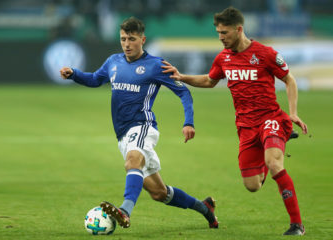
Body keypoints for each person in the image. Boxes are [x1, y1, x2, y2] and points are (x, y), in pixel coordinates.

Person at [60, 17, 218, 229]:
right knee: (159, 193)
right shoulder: (113, 62)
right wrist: (74, 75)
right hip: (122, 134)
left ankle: (125, 211)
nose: (126, 44)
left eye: (131, 39)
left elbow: (183, 92)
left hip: (143, 126)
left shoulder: (156, 65)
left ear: (142, 39)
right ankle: (205, 208)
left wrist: (188, 122)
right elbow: (96, 79)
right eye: (123, 39)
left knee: (133, 162)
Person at [162, 7, 307, 236]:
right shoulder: (223, 58)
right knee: (253, 185)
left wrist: (293, 112)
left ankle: (297, 224)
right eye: (218, 32)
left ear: (239, 30)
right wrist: (182, 77)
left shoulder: (266, 54)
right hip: (246, 127)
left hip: (270, 119)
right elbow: (210, 81)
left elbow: (289, 80)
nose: (220, 37)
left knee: (274, 163)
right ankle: (272, 145)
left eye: (224, 32)